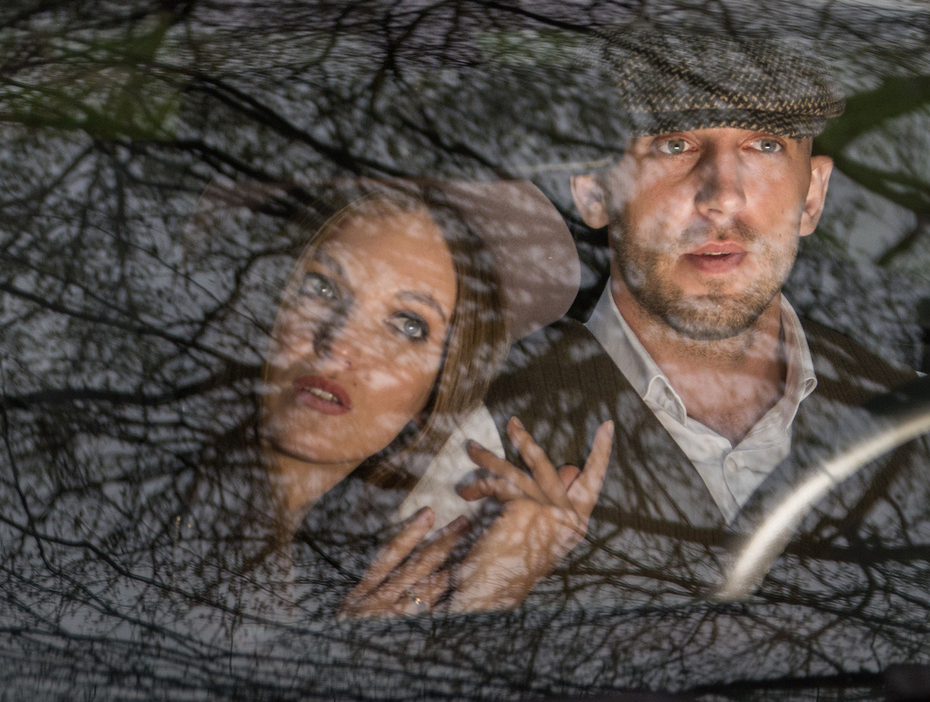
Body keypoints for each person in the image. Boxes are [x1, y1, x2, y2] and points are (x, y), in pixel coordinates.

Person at [436, 27, 930, 609]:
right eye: (673, 144)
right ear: (594, 195)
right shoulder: (475, 432)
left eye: (764, 145)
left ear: (812, 195)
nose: (723, 197)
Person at [169, 176, 606, 617]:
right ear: (271, 308)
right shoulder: (142, 484)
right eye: (322, 288)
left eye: (407, 325)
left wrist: (485, 596)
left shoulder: (363, 566)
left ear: (435, 395)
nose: (339, 343)